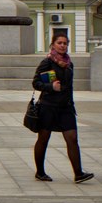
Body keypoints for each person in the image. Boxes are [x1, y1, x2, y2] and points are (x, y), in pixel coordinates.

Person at [31, 32, 93, 184]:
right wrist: (50, 87)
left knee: (72, 138)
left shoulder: (69, 63)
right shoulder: (47, 62)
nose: (63, 46)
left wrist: (71, 104)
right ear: (53, 45)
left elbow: (69, 87)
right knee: (43, 139)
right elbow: (35, 83)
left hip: (65, 107)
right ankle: (40, 172)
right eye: (60, 43)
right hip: (48, 106)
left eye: (65, 43)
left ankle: (78, 173)